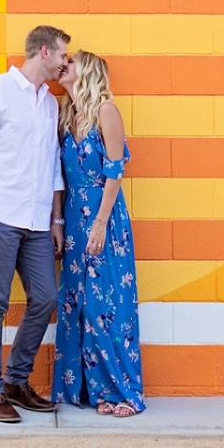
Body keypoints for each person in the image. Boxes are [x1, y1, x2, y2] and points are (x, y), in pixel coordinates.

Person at [0, 24, 70, 423]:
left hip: (37, 219)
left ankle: (15, 382)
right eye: (62, 55)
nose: (64, 63)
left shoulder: (49, 103)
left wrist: (56, 219)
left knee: (45, 298)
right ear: (43, 52)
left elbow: (52, 166)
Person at [52, 49, 145, 417]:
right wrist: (58, 221)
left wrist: (101, 223)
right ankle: (93, 391)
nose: (64, 66)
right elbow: (58, 177)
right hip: (74, 218)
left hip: (103, 218)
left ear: (86, 71)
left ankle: (123, 392)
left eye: (71, 62)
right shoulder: (68, 114)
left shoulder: (107, 111)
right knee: (77, 305)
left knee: (105, 306)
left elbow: (116, 170)